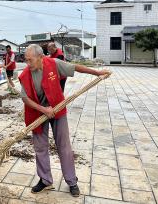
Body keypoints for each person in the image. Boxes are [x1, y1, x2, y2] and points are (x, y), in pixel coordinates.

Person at [19, 44, 110, 197]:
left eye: (30, 60)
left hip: (57, 109)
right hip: (37, 113)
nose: (28, 64)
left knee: (64, 146)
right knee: (40, 147)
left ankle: (71, 181)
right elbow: (25, 98)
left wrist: (97, 73)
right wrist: (44, 110)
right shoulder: (25, 74)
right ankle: (45, 180)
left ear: (41, 57)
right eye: (26, 60)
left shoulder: (54, 64)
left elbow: (75, 68)